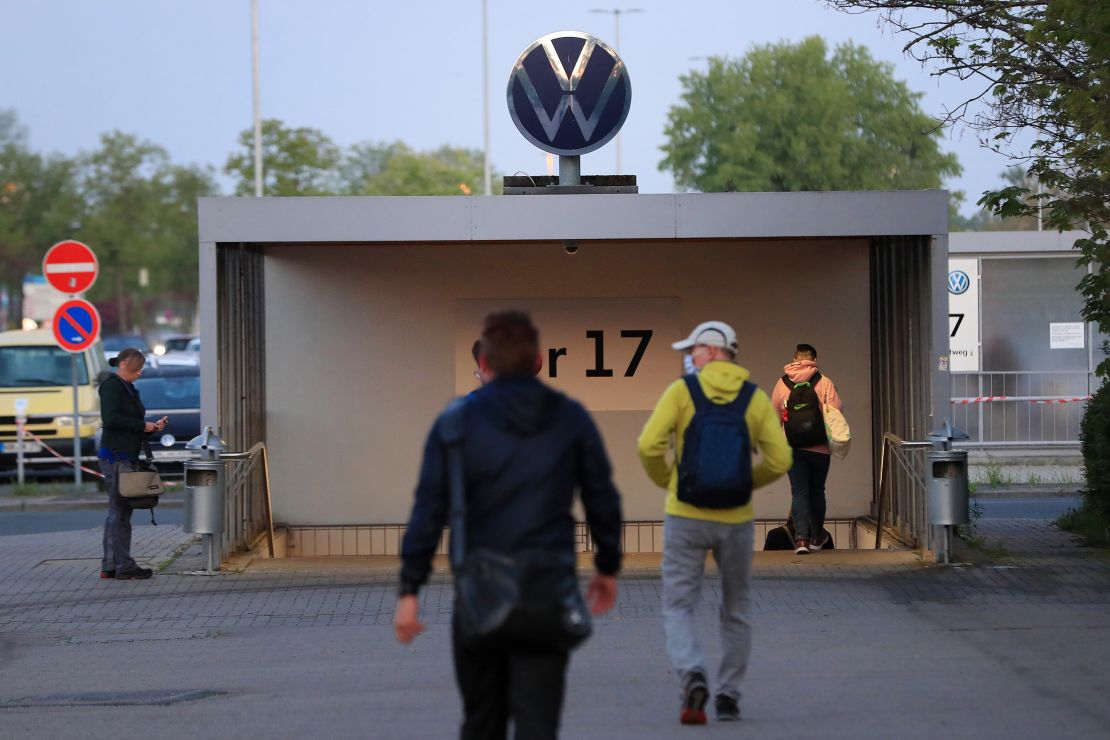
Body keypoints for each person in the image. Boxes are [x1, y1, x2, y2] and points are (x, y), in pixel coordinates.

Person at [395, 310, 622, 739]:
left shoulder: (456, 420)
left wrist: (410, 591)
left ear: (485, 364)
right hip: (547, 590)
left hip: (478, 593)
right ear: (538, 361)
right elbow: (602, 497)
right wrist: (607, 567)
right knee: (538, 725)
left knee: (482, 721)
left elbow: (428, 509)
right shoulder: (569, 416)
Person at [638, 320, 792, 724]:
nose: (689, 357)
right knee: (736, 607)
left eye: (692, 350)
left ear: (710, 350)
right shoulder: (754, 398)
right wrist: (745, 483)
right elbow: (780, 459)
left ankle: (692, 673)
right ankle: (728, 696)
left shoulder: (681, 392)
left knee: (678, 605)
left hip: (685, 515)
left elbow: (648, 445)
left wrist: (671, 482)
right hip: (736, 519)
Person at [98, 347, 168, 580]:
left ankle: (111, 564)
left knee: (117, 510)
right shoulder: (112, 386)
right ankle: (123, 565)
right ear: (125, 364)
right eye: (137, 368)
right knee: (120, 511)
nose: (140, 372)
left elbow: (126, 422)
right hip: (117, 456)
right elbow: (111, 419)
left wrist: (151, 427)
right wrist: (142, 426)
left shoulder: (126, 387)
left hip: (123, 453)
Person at [771, 343, 843, 555]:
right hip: (819, 446)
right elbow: (837, 409)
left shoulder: (782, 383)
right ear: (814, 359)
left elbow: (775, 412)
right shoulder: (824, 382)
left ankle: (801, 540)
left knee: (799, 491)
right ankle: (817, 536)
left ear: (795, 358)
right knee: (817, 491)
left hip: (792, 446)